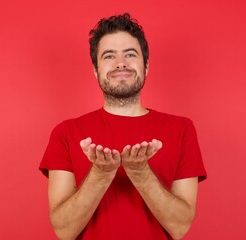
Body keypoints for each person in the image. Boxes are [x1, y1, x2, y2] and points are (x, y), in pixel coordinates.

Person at [39, 13, 207, 240]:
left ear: (146, 66)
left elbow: (179, 227)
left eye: (130, 54)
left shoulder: (182, 129)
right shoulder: (66, 133)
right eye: (109, 56)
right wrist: (100, 175)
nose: (121, 63)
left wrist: (141, 173)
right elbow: (64, 231)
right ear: (95, 70)